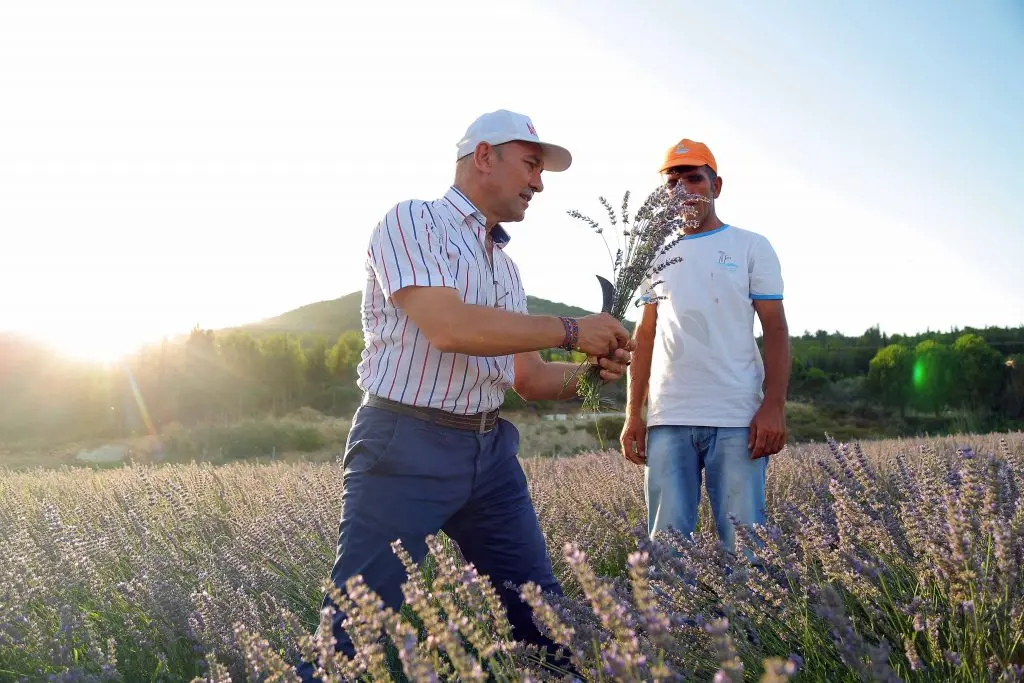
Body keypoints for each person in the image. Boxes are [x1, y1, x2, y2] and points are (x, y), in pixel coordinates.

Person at [296, 109, 633, 681]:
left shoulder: (507, 269)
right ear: (484, 157)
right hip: (406, 444)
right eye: (531, 165)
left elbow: (528, 379)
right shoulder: (413, 221)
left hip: (490, 453)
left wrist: (591, 375)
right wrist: (574, 330)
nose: (539, 183)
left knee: (541, 615)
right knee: (359, 629)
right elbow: (449, 327)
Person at [619, 138, 790, 555]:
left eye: (694, 178)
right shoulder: (654, 254)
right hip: (668, 419)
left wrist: (773, 407)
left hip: (736, 417)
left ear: (716, 186)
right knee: (667, 550)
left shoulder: (751, 246)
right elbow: (645, 336)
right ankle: (669, 623)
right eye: (672, 181)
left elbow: (776, 330)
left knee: (745, 547)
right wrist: (632, 415)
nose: (682, 189)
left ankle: (750, 622)